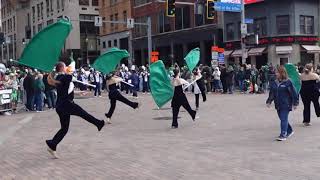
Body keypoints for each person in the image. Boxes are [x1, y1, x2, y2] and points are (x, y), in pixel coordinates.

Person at [46, 62, 105, 159]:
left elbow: (68, 90)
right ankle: (98, 123)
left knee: (64, 128)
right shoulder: (65, 77)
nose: (66, 68)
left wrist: (79, 92)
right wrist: (71, 71)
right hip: (66, 104)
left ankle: (52, 144)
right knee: (84, 114)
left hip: (60, 106)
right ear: (61, 68)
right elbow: (71, 73)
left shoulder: (58, 78)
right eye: (65, 67)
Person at [266, 66, 299, 141]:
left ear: (282, 73)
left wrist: (295, 103)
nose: (276, 73)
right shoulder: (274, 82)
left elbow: (294, 93)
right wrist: (269, 101)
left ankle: (283, 135)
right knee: (282, 119)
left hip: (286, 104)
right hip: (278, 104)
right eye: (276, 72)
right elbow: (272, 93)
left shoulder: (288, 82)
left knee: (283, 119)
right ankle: (290, 131)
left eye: (277, 72)